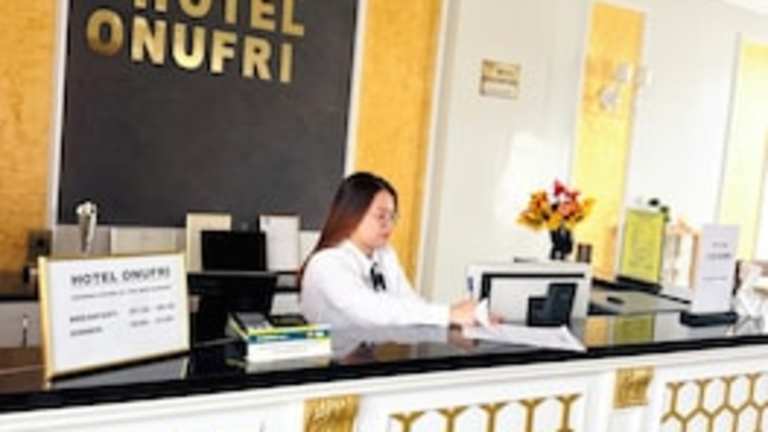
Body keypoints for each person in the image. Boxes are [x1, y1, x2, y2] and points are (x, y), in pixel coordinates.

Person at [300, 172, 478, 328]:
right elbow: (370, 310)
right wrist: (446, 314)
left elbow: (410, 302)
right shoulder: (327, 262)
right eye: (381, 216)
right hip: (331, 355)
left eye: (392, 217)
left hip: (374, 350)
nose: (389, 225)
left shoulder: (384, 254)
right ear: (352, 214)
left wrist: (456, 316)